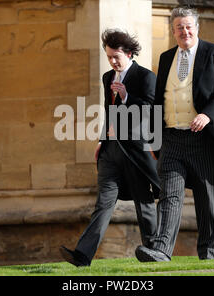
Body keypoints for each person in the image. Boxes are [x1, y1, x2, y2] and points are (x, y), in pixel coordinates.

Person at [135, 7, 214, 262]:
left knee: (207, 198)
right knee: (169, 195)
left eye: (188, 26)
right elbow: (158, 100)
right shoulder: (166, 58)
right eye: (179, 27)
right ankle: (162, 250)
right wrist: (153, 137)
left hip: (204, 139)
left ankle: (209, 253)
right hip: (172, 137)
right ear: (172, 31)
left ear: (196, 28)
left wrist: (208, 115)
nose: (184, 31)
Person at [60, 29, 161, 266]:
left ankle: (155, 252)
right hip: (111, 152)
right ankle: (83, 256)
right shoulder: (108, 78)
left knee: (143, 204)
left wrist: (127, 98)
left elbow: (150, 111)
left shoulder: (146, 77)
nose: (112, 61)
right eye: (109, 57)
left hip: (136, 152)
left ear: (129, 53)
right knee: (103, 203)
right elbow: (110, 113)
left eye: (116, 56)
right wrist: (102, 141)